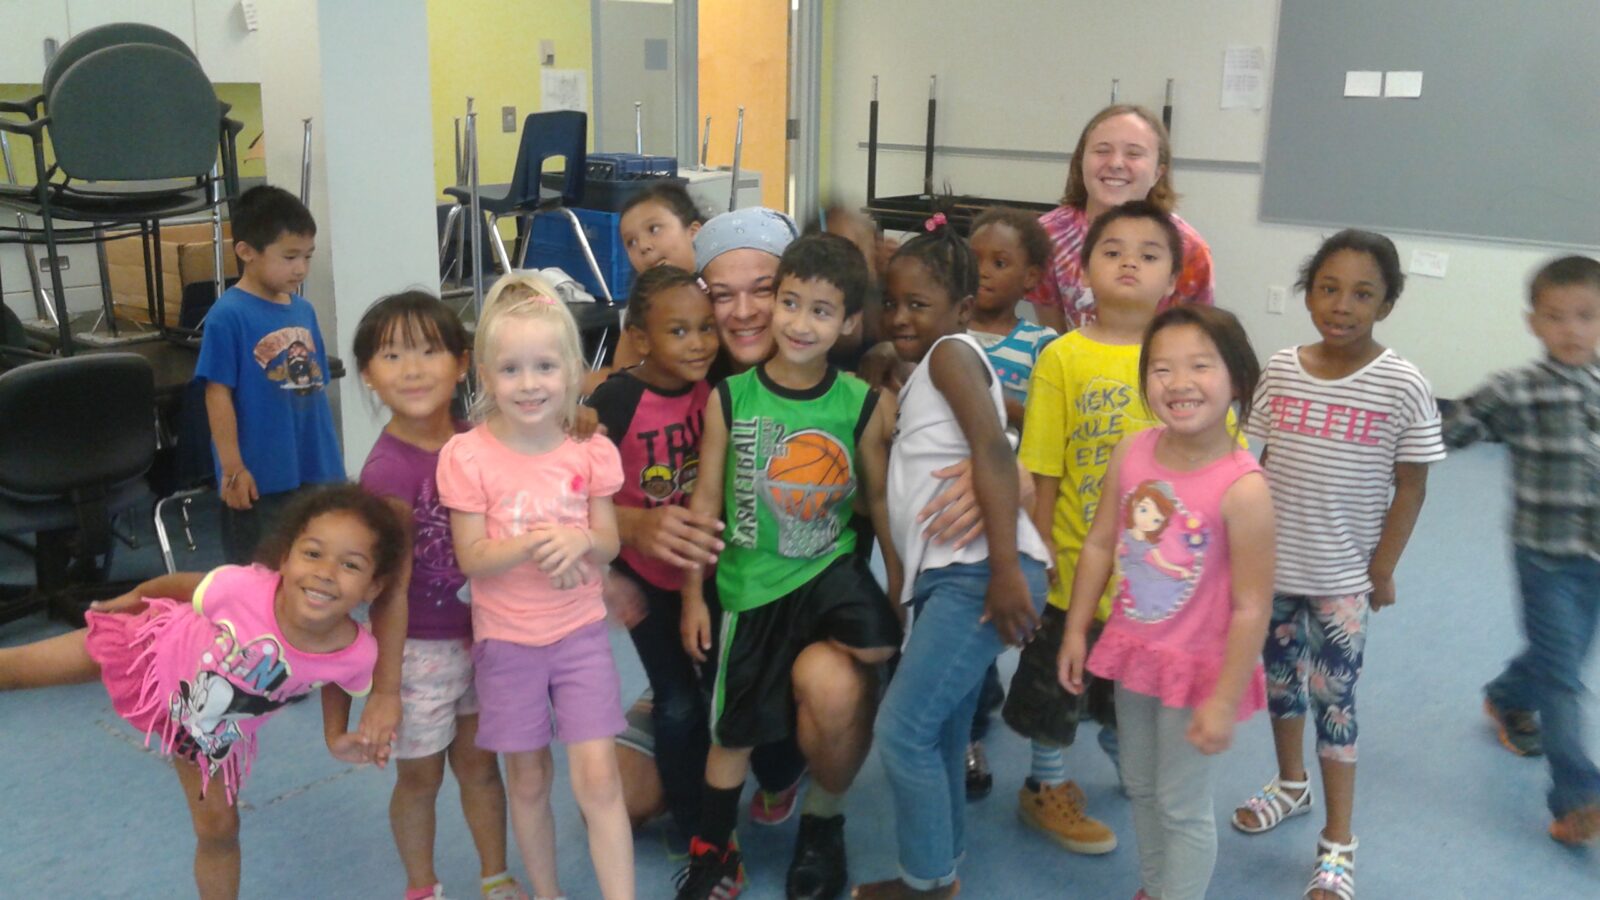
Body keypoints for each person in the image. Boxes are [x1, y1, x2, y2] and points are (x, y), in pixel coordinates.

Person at [0, 485, 407, 900]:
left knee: (220, 830)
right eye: (313, 553)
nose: (325, 572)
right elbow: (181, 586)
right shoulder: (241, 588)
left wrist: (334, 736)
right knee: (15, 670)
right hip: (146, 649)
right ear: (285, 558)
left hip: (205, 731)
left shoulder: (357, 652)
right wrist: (135, 597)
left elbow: (337, 679)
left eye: (350, 565)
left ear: (374, 587)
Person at [675, 233, 902, 900]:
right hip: (749, 588)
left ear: (849, 322)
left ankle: (824, 815)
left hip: (828, 571)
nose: (801, 323)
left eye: (822, 311)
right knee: (733, 731)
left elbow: (882, 497)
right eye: (791, 303)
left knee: (883, 643)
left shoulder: (858, 402)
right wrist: (694, 595)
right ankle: (714, 853)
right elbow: (704, 500)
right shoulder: (732, 398)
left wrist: (902, 583)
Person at [1229, 230, 1443, 899]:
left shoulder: (1402, 384)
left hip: (1343, 582)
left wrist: (1383, 566)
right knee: (1282, 688)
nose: (1341, 305)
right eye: (1328, 288)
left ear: (1387, 303)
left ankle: (1338, 841)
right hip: (1273, 572)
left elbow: (1411, 484)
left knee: (1335, 705)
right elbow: (1254, 462)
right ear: (1307, 291)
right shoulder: (1283, 367)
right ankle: (1291, 786)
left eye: (1361, 293)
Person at [853, 219, 1051, 899]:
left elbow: (995, 449)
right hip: (954, 578)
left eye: (919, 305)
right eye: (893, 301)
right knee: (938, 730)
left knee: (902, 731)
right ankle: (944, 864)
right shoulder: (929, 368)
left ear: (962, 310)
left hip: (978, 576)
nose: (900, 316)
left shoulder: (952, 356)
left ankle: (928, 886)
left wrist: (1001, 568)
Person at [1059, 305, 1275, 900]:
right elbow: (1101, 541)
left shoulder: (1244, 487)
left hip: (1199, 671)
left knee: (1181, 806)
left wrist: (1225, 700)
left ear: (1237, 378)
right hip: (1136, 652)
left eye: (1200, 366)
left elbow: (1253, 606)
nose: (1179, 383)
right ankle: (1155, 889)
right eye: (1161, 369)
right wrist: (1078, 630)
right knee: (1141, 785)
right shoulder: (1133, 452)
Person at [436, 272, 634, 900]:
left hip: (579, 635)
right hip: (507, 643)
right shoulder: (466, 456)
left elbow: (609, 541)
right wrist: (530, 542)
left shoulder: (590, 451)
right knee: (527, 780)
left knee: (599, 780)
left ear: (572, 370)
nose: (529, 384)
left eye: (545, 366)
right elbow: (471, 558)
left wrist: (583, 541)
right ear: (485, 376)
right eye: (512, 369)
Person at [1008, 200, 1188, 854]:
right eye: (1112, 251)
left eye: (1148, 253)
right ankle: (1044, 786)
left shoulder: (1188, 356)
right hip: (1074, 566)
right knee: (1059, 689)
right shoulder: (1064, 356)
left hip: (1157, 575)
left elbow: (1219, 462)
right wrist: (1039, 549)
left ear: (1174, 276)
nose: (1129, 263)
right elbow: (1044, 463)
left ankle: (1124, 750)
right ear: (1083, 270)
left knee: (1131, 688)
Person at [338, 292, 528, 900]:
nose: (413, 369)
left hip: (487, 638)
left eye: (429, 351)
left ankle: (495, 875)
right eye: (392, 355)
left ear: (462, 362)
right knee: (419, 779)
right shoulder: (389, 471)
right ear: (368, 374)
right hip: (418, 651)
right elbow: (387, 591)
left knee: (480, 767)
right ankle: (422, 886)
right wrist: (386, 691)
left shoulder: (483, 441)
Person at [1441, 255, 1600, 846]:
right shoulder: (1517, 390)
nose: (1572, 329)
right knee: (1564, 682)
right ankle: (1578, 797)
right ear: (1534, 323)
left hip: (1596, 559)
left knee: (1558, 661)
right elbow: (1449, 428)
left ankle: (1506, 696)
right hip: (1545, 560)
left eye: (1586, 316)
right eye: (1556, 317)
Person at [585, 265, 719, 849]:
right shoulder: (617, 398)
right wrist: (607, 575)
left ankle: (718, 797)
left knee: (715, 687)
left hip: (703, 570)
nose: (698, 344)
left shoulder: (711, 389)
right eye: (679, 332)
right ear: (641, 337)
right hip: (642, 576)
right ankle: (694, 823)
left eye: (706, 329)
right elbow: (575, 491)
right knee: (678, 698)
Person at [196, 185, 344, 566]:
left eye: (307, 257)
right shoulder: (227, 316)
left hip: (315, 468)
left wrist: (329, 461)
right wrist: (232, 468)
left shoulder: (304, 310)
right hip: (261, 476)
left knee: (314, 564)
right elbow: (217, 394)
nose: (301, 268)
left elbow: (312, 390)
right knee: (259, 575)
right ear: (246, 252)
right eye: (289, 256)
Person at [962, 205, 1058, 799]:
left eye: (1000, 263)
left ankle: (990, 699)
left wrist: (994, 401)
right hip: (947, 498)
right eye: (974, 261)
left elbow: (1048, 422)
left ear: (1030, 278)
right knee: (955, 617)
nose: (983, 274)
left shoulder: (1042, 344)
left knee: (997, 615)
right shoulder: (944, 328)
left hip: (1011, 501)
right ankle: (969, 731)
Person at [1026, 105, 1213, 335]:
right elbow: (1052, 337)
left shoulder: (1189, 249)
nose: (1115, 163)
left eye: (1134, 154)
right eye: (1102, 150)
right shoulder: (1048, 236)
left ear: (1158, 172)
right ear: (1080, 161)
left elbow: (1193, 340)